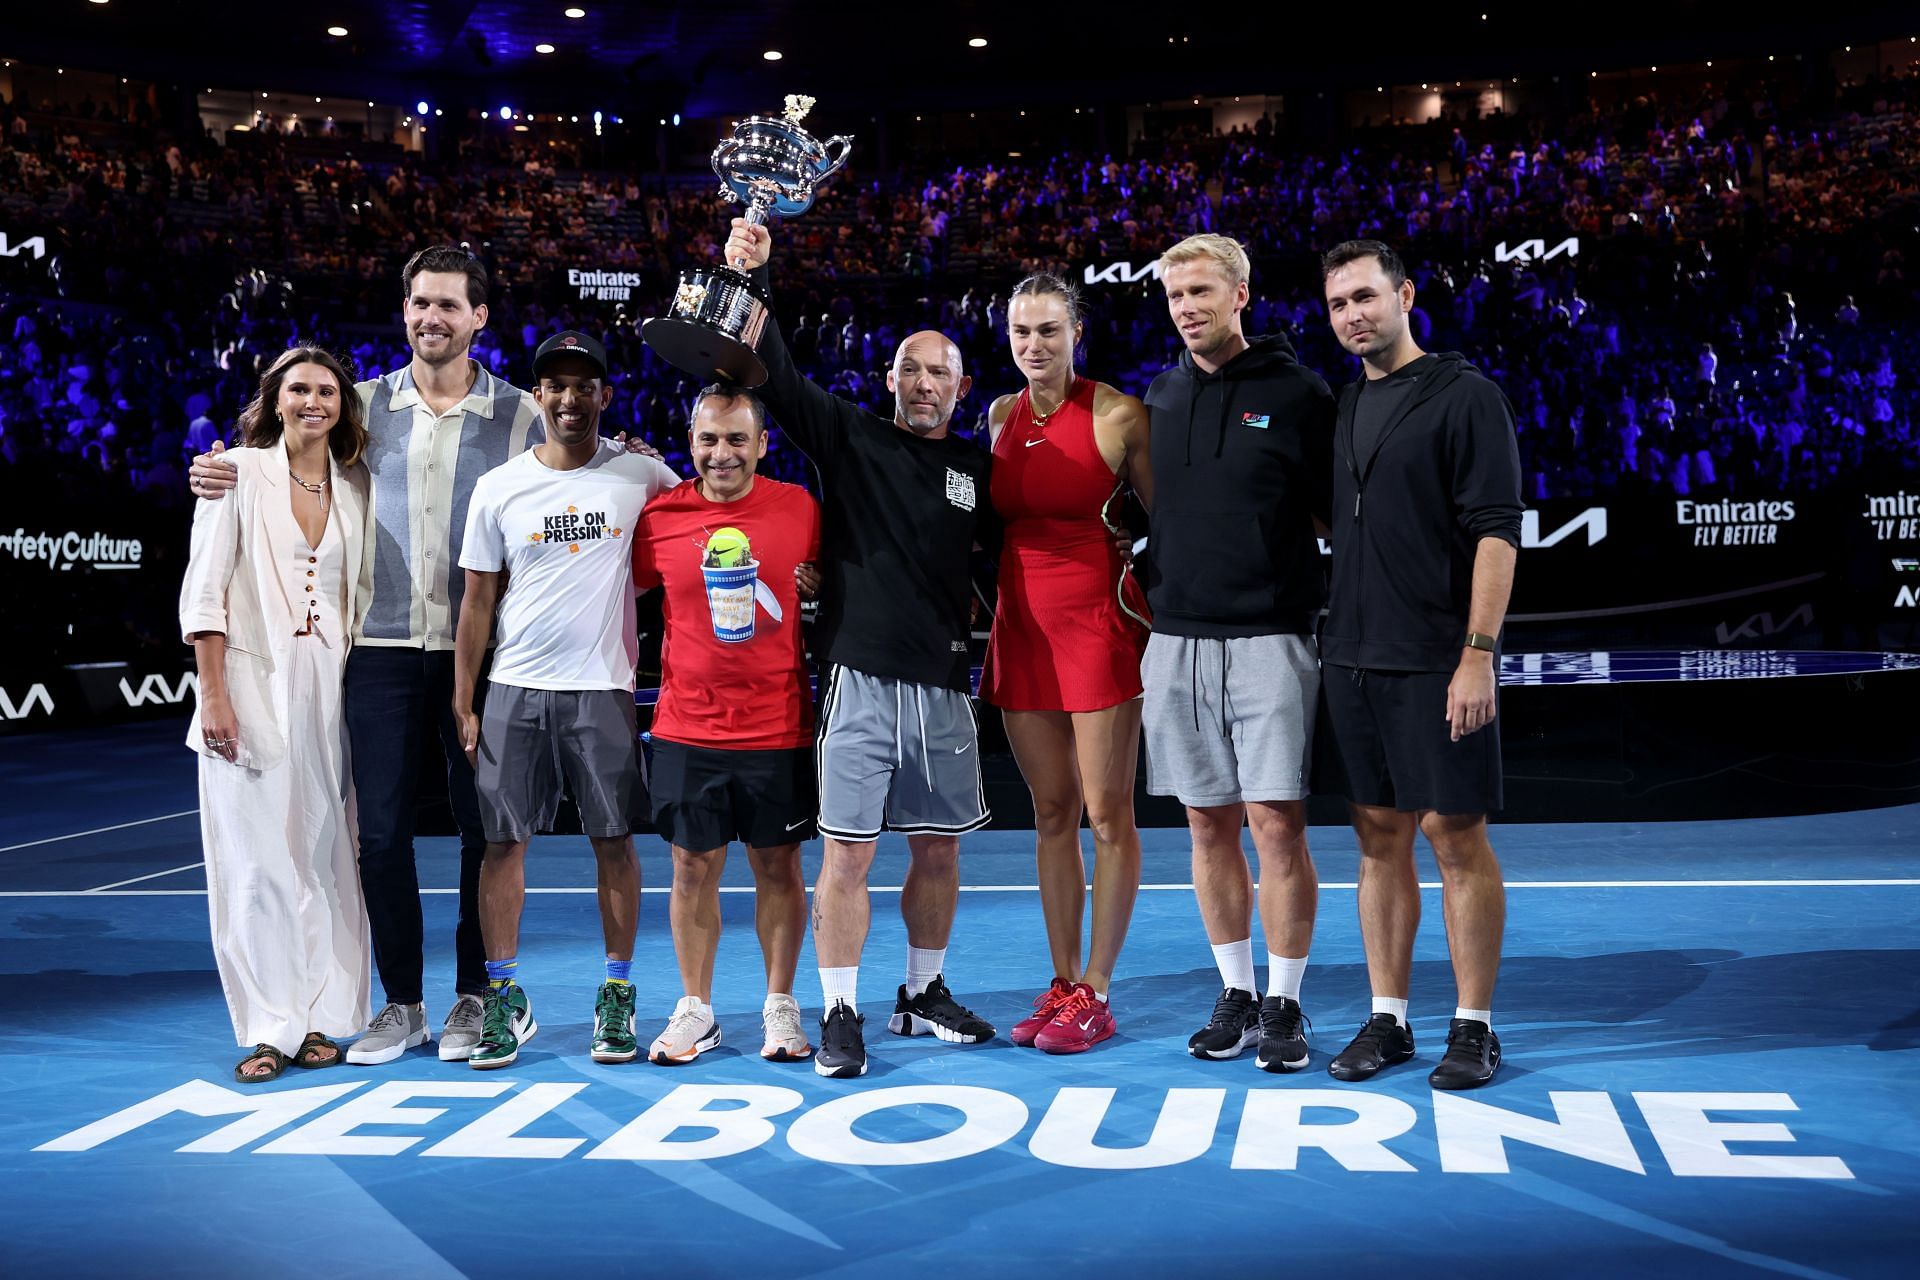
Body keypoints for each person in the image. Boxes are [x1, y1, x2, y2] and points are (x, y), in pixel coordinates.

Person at [191, 246, 544, 1064]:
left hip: (474, 658)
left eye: (449, 306)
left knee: (480, 831)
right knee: (378, 835)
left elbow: (574, 471)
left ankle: (471, 995)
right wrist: (223, 473)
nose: (431, 318)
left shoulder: (522, 415)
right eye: (420, 302)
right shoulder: (362, 405)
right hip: (377, 652)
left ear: (479, 318)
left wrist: (633, 451)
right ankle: (403, 1002)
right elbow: (293, 464)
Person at [724, 216, 998, 1079]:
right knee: (848, 853)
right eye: (911, 368)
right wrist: (757, 277)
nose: (924, 383)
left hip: (946, 684)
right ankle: (840, 1007)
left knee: (941, 848)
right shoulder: (849, 436)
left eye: (939, 372)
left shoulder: (976, 472)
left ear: (961, 387)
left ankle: (921, 992)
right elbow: (774, 372)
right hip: (859, 678)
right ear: (890, 378)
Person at [1318, 239, 1522, 1090]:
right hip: (1352, 657)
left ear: (1405, 295)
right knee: (1377, 839)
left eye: (1366, 296)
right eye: (1337, 305)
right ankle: (1389, 1019)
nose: (1353, 316)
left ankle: (1473, 1027)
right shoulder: (1342, 404)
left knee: (1454, 836)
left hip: (1436, 658)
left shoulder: (1465, 395)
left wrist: (1477, 655)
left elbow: (1496, 533)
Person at [451, 330, 682, 1069]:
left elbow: (706, 521)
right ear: (538, 395)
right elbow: (477, 603)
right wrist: (466, 700)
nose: (570, 398)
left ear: (605, 396)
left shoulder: (642, 477)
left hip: (604, 689)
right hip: (514, 689)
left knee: (614, 844)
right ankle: (505, 999)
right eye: (555, 384)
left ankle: (616, 996)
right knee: (501, 845)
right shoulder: (500, 487)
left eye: (585, 385)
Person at [1141, 233, 1334, 1071]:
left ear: (1241, 294)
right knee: (1207, 827)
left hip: (1270, 639)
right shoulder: (1162, 395)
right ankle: (1238, 992)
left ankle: (1286, 1002)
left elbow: (1336, 519)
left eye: (1201, 292)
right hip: (1176, 642)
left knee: (1275, 828)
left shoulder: (1300, 393)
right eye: (1176, 295)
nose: (1187, 308)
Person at [179, 346, 373, 1082]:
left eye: (327, 390)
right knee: (257, 864)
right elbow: (205, 593)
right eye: (299, 389)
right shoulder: (234, 473)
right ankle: (268, 1027)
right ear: (275, 398)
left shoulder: (354, 488)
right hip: (251, 685)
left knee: (325, 860)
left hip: (331, 693)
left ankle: (323, 1018)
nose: (313, 401)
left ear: (342, 405)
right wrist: (214, 692)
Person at [981, 272, 1153, 1054]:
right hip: (1021, 629)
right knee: (1052, 813)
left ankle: (1100, 989)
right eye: (1022, 331)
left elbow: (1167, 523)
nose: (1034, 345)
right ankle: (1062, 984)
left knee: (1108, 814)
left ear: (1075, 331)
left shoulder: (1118, 415)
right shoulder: (997, 416)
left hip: (1097, 624)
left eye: (1048, 330)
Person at [631, 383, 822, 1066]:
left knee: (779, 867)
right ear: (690, 443)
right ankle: (697, 1010)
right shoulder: (658, 519)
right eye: (709, 439)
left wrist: (820, 588)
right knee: (689, 871)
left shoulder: (800, 510)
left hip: (778, 726)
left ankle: (780, 1006)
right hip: (687, 727)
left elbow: (833, 581)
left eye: (737, 439)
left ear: (762, 444)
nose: (722, 454)